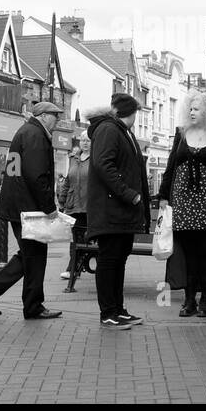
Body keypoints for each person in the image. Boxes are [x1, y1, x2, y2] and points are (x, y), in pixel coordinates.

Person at [0, 101, 63, 320]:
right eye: (55, 116)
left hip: (19, 204)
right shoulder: (35, 134)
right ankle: (23, 302)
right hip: (27, 207)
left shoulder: (26, 131)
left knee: (31, 255)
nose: (58, 120)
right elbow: (36, 175)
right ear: (43, 116)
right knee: (34, 255)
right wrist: (49, 207)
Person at [158, 90, 206, 318]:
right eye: (190, 109)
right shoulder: (181, 134)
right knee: (188, 254)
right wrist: (164, 196)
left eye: (197, 109)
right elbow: (171, 165)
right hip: (183, 202)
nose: (192, 112)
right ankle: (189, 299)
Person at [85, 95, 152, 331]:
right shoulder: (109, 130)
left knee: (118, 261)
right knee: (109, 261)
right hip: (111, 210)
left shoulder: (122, 131)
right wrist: (128, 194)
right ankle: (108, 313)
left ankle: (118, 309)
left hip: (122, 212)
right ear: (131, 112)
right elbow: (104, 165)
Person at [57, 131, 91, 280]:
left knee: (84, 239)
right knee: (76, 239)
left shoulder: (95, 159)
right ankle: (73, 268)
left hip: (89, 206)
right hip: (73, 206)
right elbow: (67, 182)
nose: (85, 143)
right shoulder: (74, 159)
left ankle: (75, 268)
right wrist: (62, 202)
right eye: (82, 140)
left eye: (88, 140)